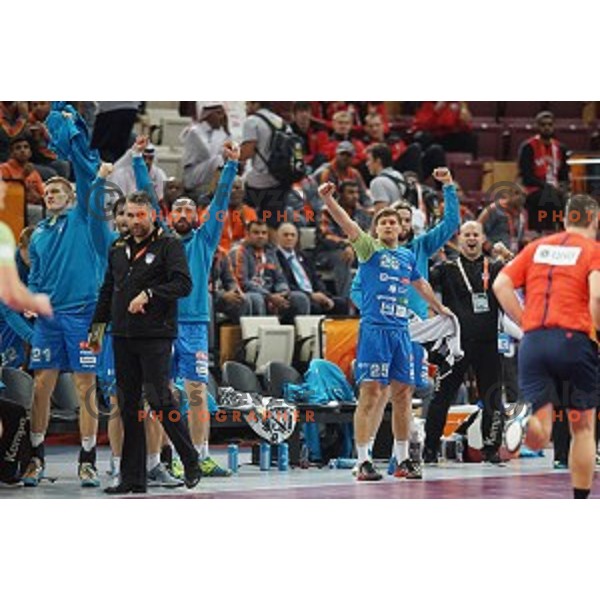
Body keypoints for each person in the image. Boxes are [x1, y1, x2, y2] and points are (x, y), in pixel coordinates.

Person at [317, 182, 451, 481]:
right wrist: (328, 198)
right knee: (371, 393)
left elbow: (421, 285)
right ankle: (362, 461)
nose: (390, 225)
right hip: (375, 332)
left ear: (401, 229)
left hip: (402, 332)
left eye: (394, 222)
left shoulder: (407, 257)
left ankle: (403, 460)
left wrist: (439, 308)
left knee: (404, 394)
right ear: (376, 229)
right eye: (384, 222)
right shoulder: (368, 248)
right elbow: (348, 224)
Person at [89, 190, 201, 494]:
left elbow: (183, 284)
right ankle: (132, 479)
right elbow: (107, 290)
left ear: (152, 214)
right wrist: (96, 332)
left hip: (155, 335)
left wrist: (150, 294)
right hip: (122, 336)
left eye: (140, 215)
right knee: (127, 406)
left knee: (160, 399)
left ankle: (190, 458)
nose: (135, 221)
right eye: (129, 215)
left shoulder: (169, 245)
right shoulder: (117, 247)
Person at [20, 105, 109, 488]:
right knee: (42, 385)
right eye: (48, 190)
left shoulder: (83, 219)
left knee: (86, 385)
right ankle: (35, 458)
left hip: (84, 315)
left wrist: (75, 141)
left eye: (60, 190)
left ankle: (87, 459)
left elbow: (89, 180)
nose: (52, 193)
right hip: (49, 318)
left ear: (71, 196)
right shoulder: (37, 234)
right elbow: (36, 277)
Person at [350, 168, 461, 464]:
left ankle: (403, 457)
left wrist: (448, 187)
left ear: (408, 224)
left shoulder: (420, 249)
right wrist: (377, 309)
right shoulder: (373, 252)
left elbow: (451, 223)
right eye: (391, 219)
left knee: (404, 393)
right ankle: (366, 455)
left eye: (403, 219)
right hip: (382, 325)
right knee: (377, 393)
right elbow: (357, 291)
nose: (400, 224)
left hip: (414, 329)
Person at [493, 194, 600, 499]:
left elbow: (500, 285)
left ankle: (524, 420)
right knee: (582, 426)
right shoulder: (593, 250)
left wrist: (527, 322)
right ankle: (580, 501)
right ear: (593, 219)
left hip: (535, 343)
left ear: (566, 218)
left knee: (540, 434)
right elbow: (597, 297)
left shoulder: (536, 248)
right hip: (574, 343)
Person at [169, 141, 239, 477]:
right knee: (164, 394)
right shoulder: (160, 242)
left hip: (195, 325)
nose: (183, 213)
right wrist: (138, 162)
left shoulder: (204, 240)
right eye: (177, 209)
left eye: (188, 209)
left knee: (196, 391)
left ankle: (200, 456)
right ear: (169, 216)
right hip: (162, 326)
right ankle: (171, 458)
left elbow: (221, 201)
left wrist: (230, 167)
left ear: (196, 217)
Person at [423, 221, 506, 464]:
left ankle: (491, 449)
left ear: (483, 239)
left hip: (489, 343)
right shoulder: (446, 268)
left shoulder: (496, 267)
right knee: (442, 397)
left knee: (492, 397)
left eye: (476, 235)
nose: (471, 239)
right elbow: (420, 283)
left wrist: (508, 255)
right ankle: (429, 449)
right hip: (455, 346)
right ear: (459, 240)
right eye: (467, 234)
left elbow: (520, 278)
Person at [230, 220, 310, 322]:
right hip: (251, 294)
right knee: (256, 299)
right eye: (256, 233)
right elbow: (243, 283)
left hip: (272, 294)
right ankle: (259, 336)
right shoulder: (239, 251)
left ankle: (295, 336)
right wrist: (269, 296)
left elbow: (280, 279)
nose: (260, 236)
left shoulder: (270, 252)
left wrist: (283, 293)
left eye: (264, 233)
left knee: (300, 298)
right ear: (247, 234)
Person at [276, 222, 347, 315]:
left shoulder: (304, 256)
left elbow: (315, 278)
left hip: (315, 294)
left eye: (292, 235)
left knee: (342, 303)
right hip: (297, 295)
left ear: (297, 238)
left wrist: (324, 295)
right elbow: (285, 283)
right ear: (278, 238)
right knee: (314, 306)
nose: (289, 238)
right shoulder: (275, 257)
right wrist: (311, 295)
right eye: (286, 235)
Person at [517, 111, 569, 234]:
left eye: (550, 124)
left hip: (555, 191)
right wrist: (547, 186)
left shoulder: (561, 148)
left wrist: (563, 187)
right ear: (537, 126)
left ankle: (563, 233)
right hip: (534, 190)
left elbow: (564, 175)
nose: (547, 127)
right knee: (549, 197)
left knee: (569, 200)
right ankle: (543, 232)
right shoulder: (528, 147)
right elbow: (526, 177)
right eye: (543, 124)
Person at [181, 102, 231, 199]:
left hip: (209, 171)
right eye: (218, 114)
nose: (222, 118)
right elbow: (209, 153)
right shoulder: (195, 131)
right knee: (218, 160)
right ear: (208, 115)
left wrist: (226, 130)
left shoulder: (221, 132)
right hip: (193, 174)